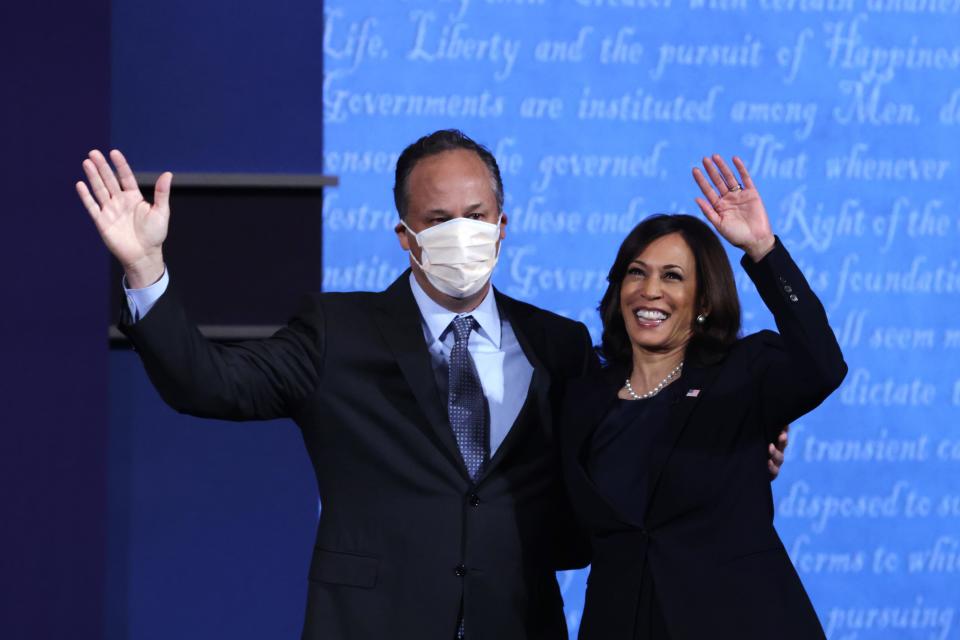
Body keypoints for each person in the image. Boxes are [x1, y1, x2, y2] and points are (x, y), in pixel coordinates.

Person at [76, 131, 786, 639]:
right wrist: (146, 271)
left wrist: (724, 454)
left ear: (503, 227)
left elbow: (619, 461)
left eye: (475, 217)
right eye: (438, 220)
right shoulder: (337, 331)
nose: (460, 233)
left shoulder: (559, 345)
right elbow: (210, 386)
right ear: (404, 236)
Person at [560, 155, 846, 639]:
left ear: (705, 301)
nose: (650, 291)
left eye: (673, 276)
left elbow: (822, 364)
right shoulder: (583, 397)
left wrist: (762, 249)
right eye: (636, 272)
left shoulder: (742, 375)